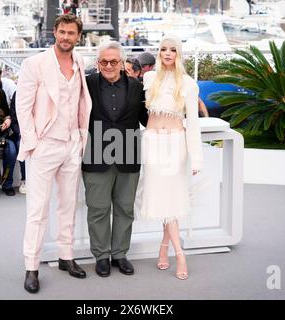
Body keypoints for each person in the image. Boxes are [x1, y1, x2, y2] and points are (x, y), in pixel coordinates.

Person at [16, 13, 92, 294]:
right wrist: (33, 142)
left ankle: (66, 257)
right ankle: (31, 267)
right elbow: (22, 107)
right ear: (54, 32)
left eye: (71, 33)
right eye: (62, 32)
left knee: (68, 205)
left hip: (73, 143)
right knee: (37, 209)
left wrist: (80, 140)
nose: (66, 37)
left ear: (78, 36)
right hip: (45, 144)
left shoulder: (81, 62)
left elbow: (81, 101)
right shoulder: (34, 64)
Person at [82, 41, 148, 278]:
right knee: (98, 209)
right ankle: (101, 256)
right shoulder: (86, 84)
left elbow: (147, 119)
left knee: (125, 208)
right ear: (98, 63)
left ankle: (119, 254)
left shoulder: (137, 86)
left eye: (113, 61)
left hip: (128, 154)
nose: (108, 65)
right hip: (95, 153)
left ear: (122, 63)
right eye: (103, 61)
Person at [140, 35, 203, 280]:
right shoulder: (148, 78)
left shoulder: (188, 83)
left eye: (172, 49)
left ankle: (174, 251)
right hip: (152, 143)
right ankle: (171, 250)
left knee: (172, 199)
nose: (167, 53)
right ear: (159, 53)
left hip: (176, 144)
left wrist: (196, 159)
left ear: (178, 54)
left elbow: (193, 124)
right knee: (163, 199)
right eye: (164, 49)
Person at [9, 92, 26, 194]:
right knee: (22, 145)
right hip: (21, 132)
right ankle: (25, 180)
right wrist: (21, 132)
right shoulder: (18, 93)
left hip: (41, 131)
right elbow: (14, 118)